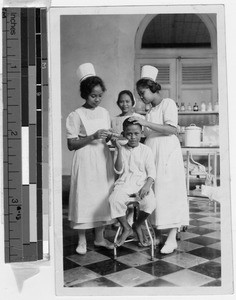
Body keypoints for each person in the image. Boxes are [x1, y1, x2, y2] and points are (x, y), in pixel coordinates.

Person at [130, 65, 189, 254]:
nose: (141, 97)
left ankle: (172, 237)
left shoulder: (168, 104)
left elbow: (171, 129)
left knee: (170, 192)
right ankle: (159, 234)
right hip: (153, 153)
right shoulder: (150, 110)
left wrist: (146, 122)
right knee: (156, 194)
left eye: (142, 92)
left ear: (152, 87)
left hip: (168, 153)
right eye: (139, 94)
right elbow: (147, 133)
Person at [66, 62, 115, 255]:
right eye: (93, 95)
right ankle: (82, 240)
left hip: (102, 159)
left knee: (101, 197)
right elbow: (71, 145)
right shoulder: (76, 115)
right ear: (85, 94)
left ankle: (100, 238)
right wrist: (93, 136)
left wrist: (110, 136)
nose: (97, 99)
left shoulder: (104, 112)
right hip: (85, 159)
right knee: (84, 197)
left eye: (100, 95)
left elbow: (106, 135)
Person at [109, 118, 156, 247]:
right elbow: (118, 170)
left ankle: (137, 224)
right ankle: (126, 227)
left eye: (136, 133)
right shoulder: (121, 149)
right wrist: (118, 148)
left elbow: (152, 171)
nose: (133, 137)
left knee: (150, 203)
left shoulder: (146, 150)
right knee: (114, 200)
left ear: (142, 134)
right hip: (125, 182)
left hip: (141, 183)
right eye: (129, 134)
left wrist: (147, 185)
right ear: (124, 134)